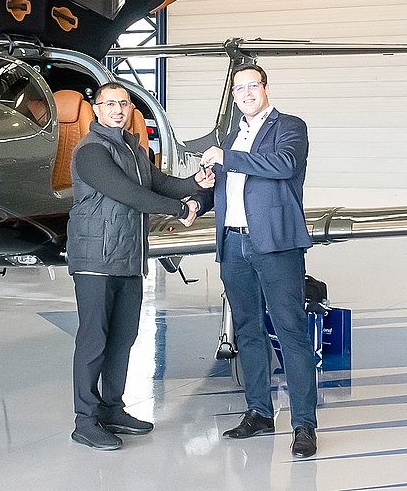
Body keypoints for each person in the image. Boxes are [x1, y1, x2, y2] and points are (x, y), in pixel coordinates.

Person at [66, 82, 212, 450]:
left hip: (129, 258)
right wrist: (181, 209)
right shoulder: (91, 151)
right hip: (95, 260)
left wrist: (193, 184)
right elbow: (128, 193)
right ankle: (85, 421)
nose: (117, 109)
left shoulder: (132, 146)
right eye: (109, 104)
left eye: (124, 103)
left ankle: (112, 409)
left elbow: (157, 182)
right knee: (94, 340)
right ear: (96, 109)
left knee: (122, 340)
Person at [193, 64, 319, 458]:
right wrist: (200, 198)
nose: (246, 93)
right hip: (233, 244)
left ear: (265, 88)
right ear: (233, 96)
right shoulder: (234, 137)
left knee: (290, 331)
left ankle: (303, 425)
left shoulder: (289, 126)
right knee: (247, 330)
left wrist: (226, 157)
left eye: (253, 85)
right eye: (239, 88)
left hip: (275, 244)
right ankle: (260, 411)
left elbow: (284, 166)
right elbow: (229, 186)